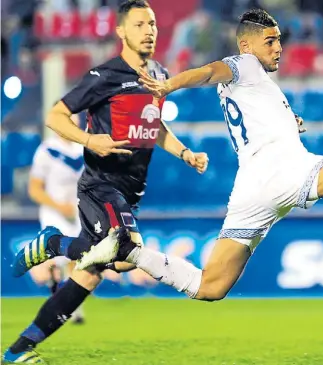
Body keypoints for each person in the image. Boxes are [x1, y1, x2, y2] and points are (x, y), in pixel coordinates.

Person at [74, 8, 323, 306]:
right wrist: (170, 84)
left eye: (280, 39)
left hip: (252, 186)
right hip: (280, 169)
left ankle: (127, 251)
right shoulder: (244, 63)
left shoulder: (257, 84)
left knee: (210, 287)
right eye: (271, 40)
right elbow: (211, 70)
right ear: (247, 44)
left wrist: (289, 121)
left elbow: (246, 106)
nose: (279, 47)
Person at [4, 1, 208, 363]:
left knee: (89, 277)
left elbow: (154, 124)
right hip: (101, 185)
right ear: (122, 32)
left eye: (153, 23)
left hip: (130, 192)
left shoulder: (158, 73)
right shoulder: (105, 76)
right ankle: (55, 242)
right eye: (140, 24)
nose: (149, 30)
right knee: (128, 256)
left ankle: (20, 349)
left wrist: (185, 153)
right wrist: (90, 140)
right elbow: (56, 115)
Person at [28, 113, 86, 324]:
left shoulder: (84, 149)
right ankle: (56, 299)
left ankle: (75, 309)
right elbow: (35, 190)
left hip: (78, 212)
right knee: (54, 261)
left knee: (77, 258)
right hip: (54, 212)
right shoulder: (47, 151)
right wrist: (59, 206)